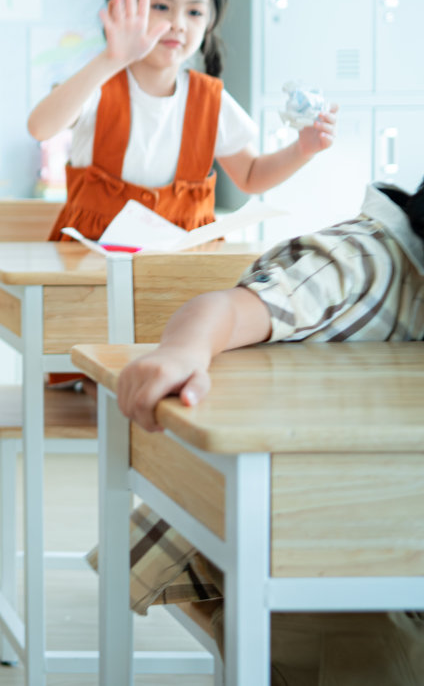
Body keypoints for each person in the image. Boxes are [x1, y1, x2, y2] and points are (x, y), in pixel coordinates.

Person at [107, 176, 424, 682]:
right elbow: (224, 309)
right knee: (377, 653)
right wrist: (182, 351)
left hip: (397, 524)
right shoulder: (356, 260)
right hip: (284, 524)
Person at [26, 0, 336, 242]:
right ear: (121, 9)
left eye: (194, 13)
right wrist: (112, 58)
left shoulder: (208, 100)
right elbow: (40, 127)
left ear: (209, 24)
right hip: (91, 267)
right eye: (161, 6)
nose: (178, 23)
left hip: (185, 270)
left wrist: (302, 150)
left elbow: (251, 175)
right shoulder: (96, 86)